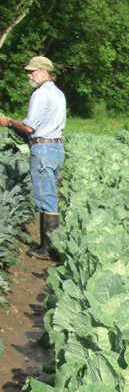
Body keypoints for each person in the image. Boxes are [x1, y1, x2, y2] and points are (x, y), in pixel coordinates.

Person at [0, 55, 66, 260]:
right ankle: (47, 245)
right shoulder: (58, 94)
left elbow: (29, 127)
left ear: (45, 72)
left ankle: (49, 247)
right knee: (50, 194)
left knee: (46, 197)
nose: (29, 74)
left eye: (33, 71)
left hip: (43, 148)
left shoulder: (40, 94)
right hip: (56, 148)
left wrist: (9, 121)